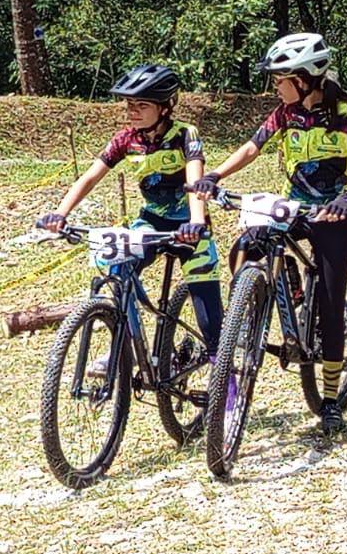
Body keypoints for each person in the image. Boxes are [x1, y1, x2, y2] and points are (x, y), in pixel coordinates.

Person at [191, 33, 347, 436]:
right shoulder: (285, 112)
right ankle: (258, 302)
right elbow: (253, 148)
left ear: (305, 78)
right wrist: (215, 175)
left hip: (330, 210)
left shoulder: (345, 114)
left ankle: (329, 400)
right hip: (293, 204)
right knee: (249, 240)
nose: (274, 86)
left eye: (280, 78)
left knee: (329, 305)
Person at [36, 65, 224, 375]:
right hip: (150, 223)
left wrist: (196, 220)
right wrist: (61, 213)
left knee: (211, 323)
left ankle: (227, 389)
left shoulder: (185, 135)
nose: (132, 112)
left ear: (164, 108)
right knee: (117, 269)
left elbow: (194, 179)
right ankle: (122, 348)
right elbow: (90, 177)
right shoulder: (126, 139)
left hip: (190, 226)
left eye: (141, 106)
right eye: (129, 106)